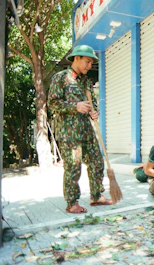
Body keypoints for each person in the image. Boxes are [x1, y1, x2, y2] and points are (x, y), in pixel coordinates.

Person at [47, 45, 113, 214]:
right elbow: (53, 104)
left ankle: (97, 195)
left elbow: (92, 102)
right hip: (69, 132)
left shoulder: (86, 82)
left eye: (91, 63)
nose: (89, 66)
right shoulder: (60, 78)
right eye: (87, 61)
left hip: (87, 130)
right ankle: (71, 203)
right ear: (76, 58)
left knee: (97, 161)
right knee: (73, 167)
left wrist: (94, 111)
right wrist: (75, 106)